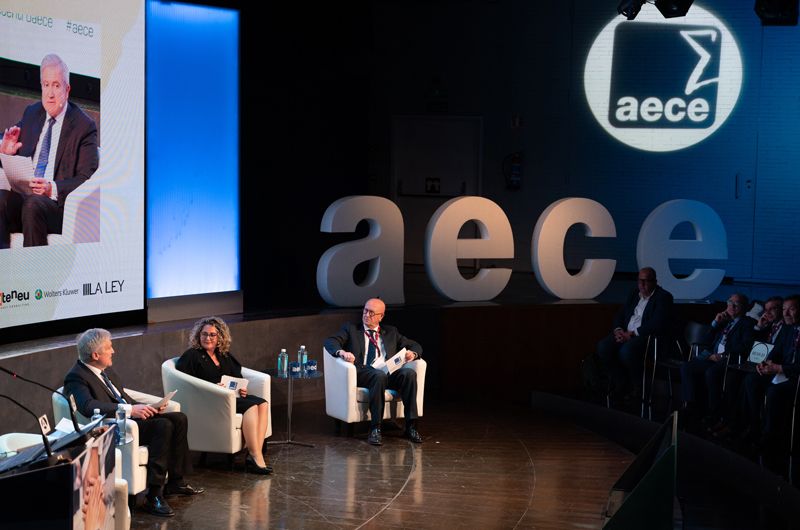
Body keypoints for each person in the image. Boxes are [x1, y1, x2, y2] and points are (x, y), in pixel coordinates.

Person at [64, 329, 203, 518]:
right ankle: (154, 495)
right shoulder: (76, 376)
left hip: (130, 418)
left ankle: (175, 482)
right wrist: (130, 410)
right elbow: (88, 406)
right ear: (95, 355)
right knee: (163, 426)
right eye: (109, 348)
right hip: (116, 426)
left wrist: (148, 408)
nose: (113, 351)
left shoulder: (105, 370)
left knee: (179, 418)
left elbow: (121, 397)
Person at [0, 53, 98, 248]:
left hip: (57, 207)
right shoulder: (32, 113)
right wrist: (5, 151)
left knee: (33, 205)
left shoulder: (83, 126)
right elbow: (8, 141)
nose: (50, 94)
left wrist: (51, 188)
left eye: (56, 85)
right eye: (46, 85)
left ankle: (34, 277)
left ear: (67, 89)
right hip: (26, 199)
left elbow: (87, 178)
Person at [176, 316, 272, 475]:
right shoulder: (192, 355)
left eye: (212, 335)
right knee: (251, 406)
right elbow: (185, 382)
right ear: (198, 336)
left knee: (263, 404)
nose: (208, 338)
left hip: (230, 397)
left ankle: (254, 453)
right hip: (210, 400)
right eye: (204, 334)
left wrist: (242, 389)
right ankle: (256, 457)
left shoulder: (224, 355)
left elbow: (237, 376)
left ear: (220, 337)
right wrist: (213, 387)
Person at [325, 298, 423, 446]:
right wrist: (342, 352)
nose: (366, 315)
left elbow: (415, 345)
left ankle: (411, 427)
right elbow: (330, 341)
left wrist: (413, 354)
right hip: (364, 372)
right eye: (365, 310)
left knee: (409, 374)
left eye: (371, 313)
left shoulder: (391, 332)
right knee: (378, 375)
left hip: (387, 372)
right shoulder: (351, 329)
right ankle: (375, 428)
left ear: (381, 316)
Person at [596, 267, 674, 402]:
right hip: (626, 332)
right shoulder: (634, 293)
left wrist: (632, 333)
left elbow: (657, 323)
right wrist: (618, 330)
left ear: (655, 281)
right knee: (603, 347)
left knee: (626, 351)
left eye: (646, 281)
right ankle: (621, 382)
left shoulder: (663, 297)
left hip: (645, 336)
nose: (642, 285)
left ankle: (638, 387)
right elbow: (621, 313)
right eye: (640, 281)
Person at [680, 293, 755, 424]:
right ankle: (690, 405)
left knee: (711, 373)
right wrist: (715, 323)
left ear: (744, 308)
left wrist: (723, 355)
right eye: (730, 302)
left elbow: (745, 346)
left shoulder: (747, 323)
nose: (731, 306)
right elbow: (705, 340)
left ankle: (714, 412)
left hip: (727, 358)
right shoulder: (724, 321)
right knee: (687, 367)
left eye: (736, 304)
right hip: (711, 356)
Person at [743, 295, 800, 456]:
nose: (786, 313)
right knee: (752, 380)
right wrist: (765, 363)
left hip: (795, 377)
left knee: (774, 392)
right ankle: (754, 428)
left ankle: (769, 439)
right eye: (784, 309)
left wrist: (779, 367)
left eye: (792, 309)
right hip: (782, 371)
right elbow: (776, 351)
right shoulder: (788, 329)